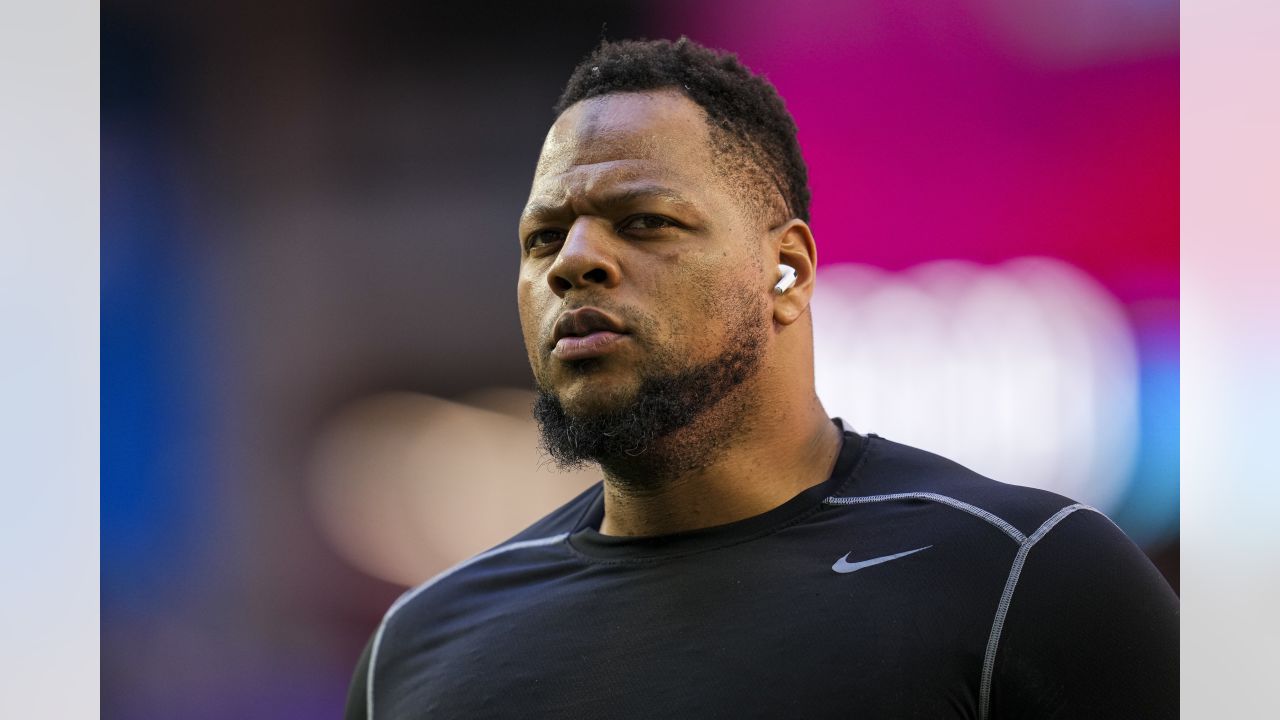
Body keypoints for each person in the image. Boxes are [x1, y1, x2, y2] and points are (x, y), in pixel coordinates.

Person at [344, 37, 1178, 719]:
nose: (575, 263)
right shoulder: (417, 654)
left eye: (644, 222)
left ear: (788, 270)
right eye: (542, 239)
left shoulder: (1028, 581)